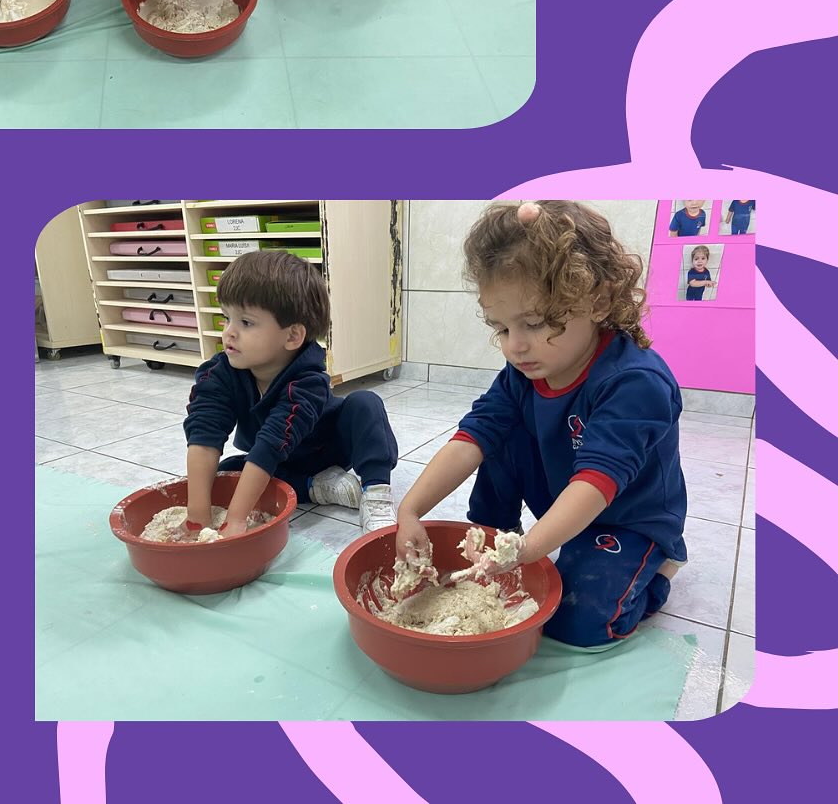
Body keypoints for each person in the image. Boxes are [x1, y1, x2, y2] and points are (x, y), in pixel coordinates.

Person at [396, 200, 688, 647]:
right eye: (501, 328)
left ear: (598, 301)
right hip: (562, 491)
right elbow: (470, 439)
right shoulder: (524, 373)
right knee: (500, 431)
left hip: (626, 518)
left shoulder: (635, 382)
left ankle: (660, 571)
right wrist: (410, 510)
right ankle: (497, 533)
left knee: (576, 621)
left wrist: (529, 552)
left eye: (533, 323)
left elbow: (595, 484)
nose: (515, 346)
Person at [183, 250, 397, 535]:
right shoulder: (220, 373)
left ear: (292, 336)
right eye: (226, 318)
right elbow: (204, 434)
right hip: (281, 461)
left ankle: (376, 492)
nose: (229, 332)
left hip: (328, 448)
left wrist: (236, 518)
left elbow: (272, 443)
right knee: (229, 469)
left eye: (245, 322)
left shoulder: (309, 380)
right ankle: (315, 487)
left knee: (365, 403)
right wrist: (197, 516)